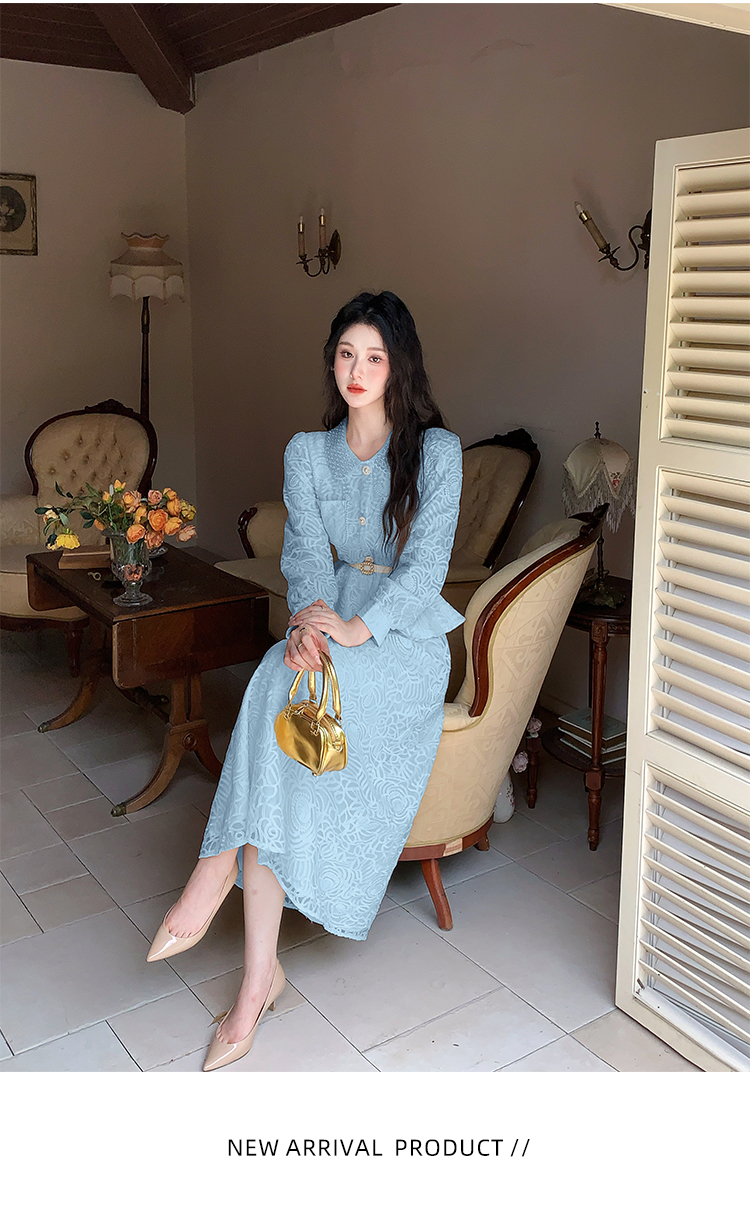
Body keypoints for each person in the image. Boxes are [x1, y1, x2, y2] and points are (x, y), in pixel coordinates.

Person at [146, 290, 464, 1070]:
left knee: (275, 699)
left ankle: (214, 873)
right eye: (347, 353)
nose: (358, 370)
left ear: (399, 366)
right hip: (328, 615)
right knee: (277, 692)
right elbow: (303, 559)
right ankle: (258, 977)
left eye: (375, 356)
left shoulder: (437, 452)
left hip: (404, 639)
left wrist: (357, 629)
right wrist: (306, 626)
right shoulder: (307, 453)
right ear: (333, 360)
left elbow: (426, 570)